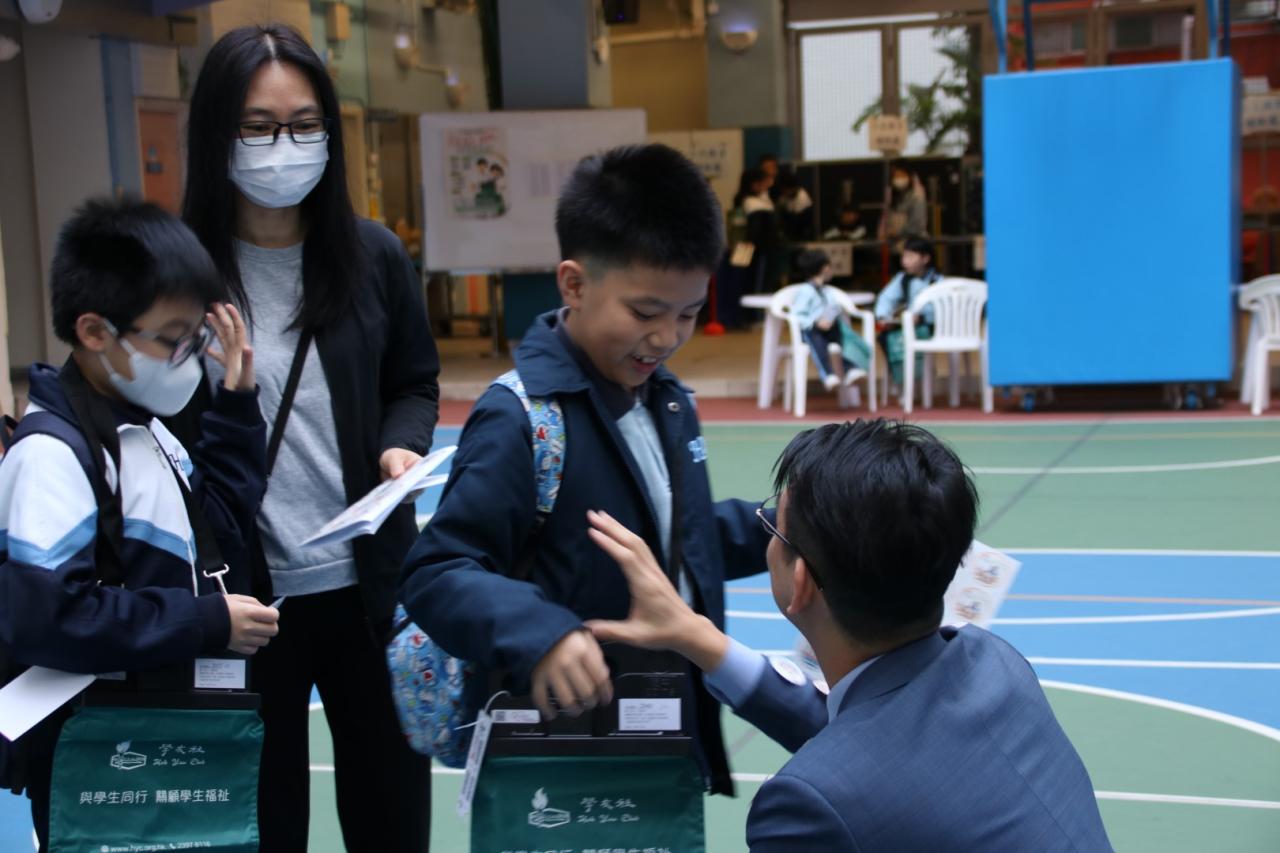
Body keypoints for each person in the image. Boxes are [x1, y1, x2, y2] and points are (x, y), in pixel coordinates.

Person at [399, 143, 771, 797]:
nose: (667, 337)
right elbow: (439, 570)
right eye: (646, 313)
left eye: (688, 313)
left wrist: (785, 526)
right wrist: (540, 633)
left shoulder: (667, 399)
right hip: (554, 754)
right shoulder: (521, 417)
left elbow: (676, 537)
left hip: (658, 729)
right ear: (573, 284)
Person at [584, 420, 1114, 852]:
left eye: (771, 526)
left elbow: (855, 768)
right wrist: (699, 638)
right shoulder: (997, 663)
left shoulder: (809, 811)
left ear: (800, 582)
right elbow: (873, 746)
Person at [175, 23, 440, 853]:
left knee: (391, 817)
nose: (283, 146)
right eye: (258, 126)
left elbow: (414, 381)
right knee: (261, 822)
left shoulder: (372, 257)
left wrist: (400, 443)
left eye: (303, 124)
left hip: (369, 590)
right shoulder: (177, 273)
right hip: (242, 602)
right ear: (217, 133)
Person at [0, 197, 280, 850]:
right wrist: (204, 622)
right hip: (96, 755)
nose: (189, 357)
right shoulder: (52, 456)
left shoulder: (143, 429)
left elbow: (217, 536)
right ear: (95, 332)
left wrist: (237, 406)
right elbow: (51, 620)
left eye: (196, 336)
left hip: (156, 734)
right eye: (173, 339)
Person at [789, 249, 871, 392]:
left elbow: (834, 308)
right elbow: (796, 315)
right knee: (817, 343)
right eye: (829, 266)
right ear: (824, 268)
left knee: (842, 337)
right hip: (811, 330)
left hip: (829, 328)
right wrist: (816, 322)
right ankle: (827, 373)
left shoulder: (827, 291)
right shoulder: (805, 291)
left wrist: (830, 318)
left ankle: (850, 367)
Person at [874, 234, 942, 388]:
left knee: (912, 336)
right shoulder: (903, 279)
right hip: (909, 324)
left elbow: (942, 309)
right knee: (885, 337)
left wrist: (923, 317)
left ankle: (917, 377)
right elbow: (886, 298)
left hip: (931, 327)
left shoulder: (938, 281)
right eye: (904, 256)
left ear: (925, 258)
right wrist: (883, 316)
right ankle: (900, 378)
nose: (905, 261)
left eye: (910, 256)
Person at [879, 163, 928, 245]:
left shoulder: (917, 194)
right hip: (895, 244)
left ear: (909, 176)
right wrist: (883, 234)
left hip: (913, 243)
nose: (899, 179)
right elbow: (885, 218)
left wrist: (898, 233)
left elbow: (917, 224)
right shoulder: (891, 194)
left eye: (901, 175)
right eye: (895, 176)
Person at [774, 168, 815, 241]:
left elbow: (798, 222)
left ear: (793, 188)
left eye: (785, 190)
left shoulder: (802, 196)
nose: (783, 192)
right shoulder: (783, 198)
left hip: (802, 233)